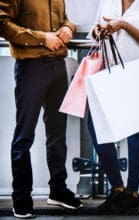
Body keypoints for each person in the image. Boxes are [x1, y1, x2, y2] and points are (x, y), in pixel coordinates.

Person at [0, 0, 83, 218]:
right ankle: (21, 199)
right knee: (24, 135)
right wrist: (42, 38)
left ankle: (58, 190)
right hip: (31, 68)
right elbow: (2, 23)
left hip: (57, 66)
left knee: (57, 133)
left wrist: (68, 28)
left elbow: (64, 19)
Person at [87, 0, 139, 212]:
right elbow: (95, 32)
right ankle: (117, 189)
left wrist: (124, 25)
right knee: (96, 129)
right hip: (106, 73)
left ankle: (133, 192)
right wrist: (98, 31)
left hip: (136, 75)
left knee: (135, 133)